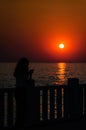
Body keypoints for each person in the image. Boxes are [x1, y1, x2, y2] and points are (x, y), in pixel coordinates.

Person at [13, 57, 35, 127]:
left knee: (21, 109)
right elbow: (26, 80)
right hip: (21, 91)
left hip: (19, 91)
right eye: (26, 64)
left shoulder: (18, 70)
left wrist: (29, 74)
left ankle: (19, 124)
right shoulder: (21, 71)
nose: (27, 65)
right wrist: (29, 74)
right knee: (22, 109)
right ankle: (20, 125)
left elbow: (25, 80)